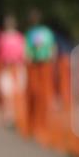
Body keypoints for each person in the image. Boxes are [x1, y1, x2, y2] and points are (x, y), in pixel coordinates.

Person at [24, 9, 56, 137]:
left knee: (42, 95)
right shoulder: (32, 32)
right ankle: (34, 124)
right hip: (35, 65)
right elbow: (28, 50)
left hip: (42, 64)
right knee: (35, 94)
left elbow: (51, 47)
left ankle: (41, 124)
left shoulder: (42, 32)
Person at [0, 14, 26, 126]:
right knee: (10, 93)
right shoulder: (7, 37)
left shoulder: (15, 37)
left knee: (13, 92)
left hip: (13, 67)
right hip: (9, 67)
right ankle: (11, 116)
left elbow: (23, 54)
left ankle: (14, 115)